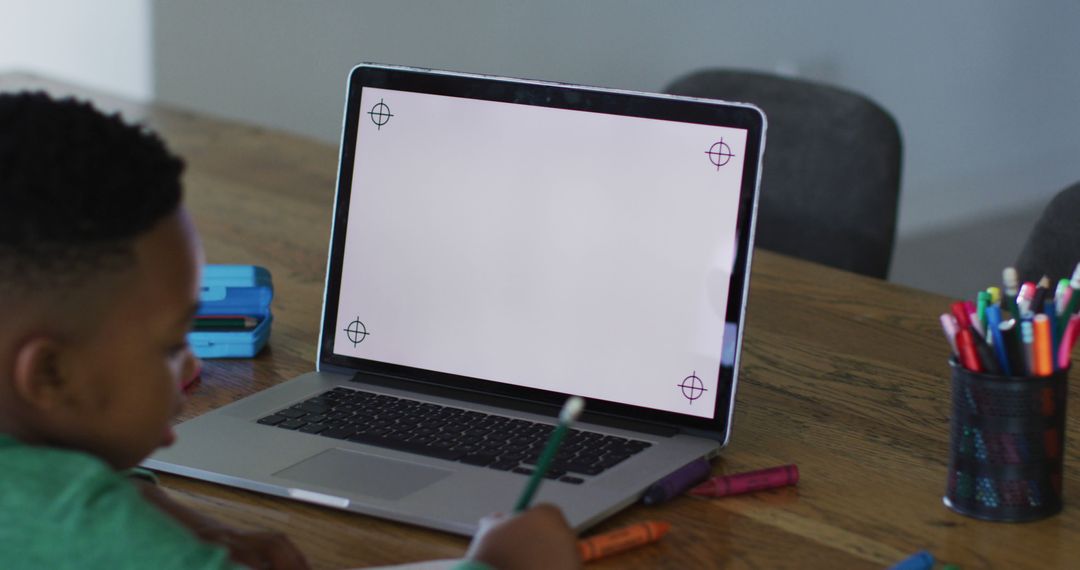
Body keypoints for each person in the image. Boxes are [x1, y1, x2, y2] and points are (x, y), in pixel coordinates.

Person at [0, 92, 581, 570]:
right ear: (51, 374)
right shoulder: (95, 531)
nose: (194, 370)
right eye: (172, 345)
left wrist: (160, 508)